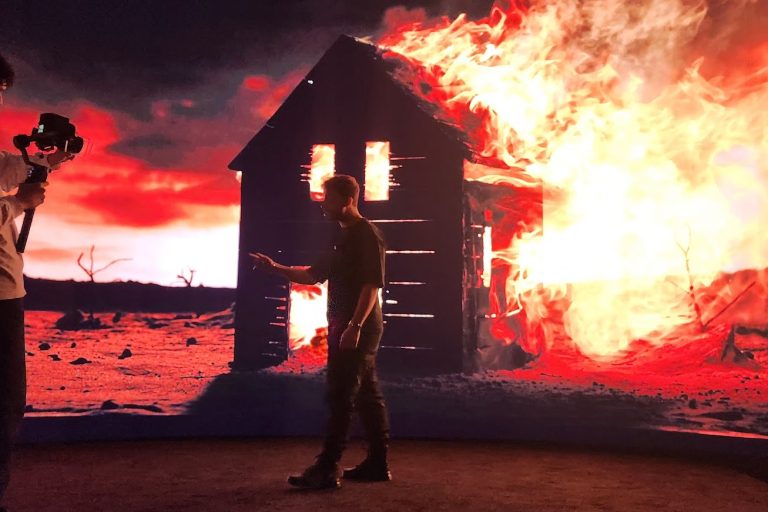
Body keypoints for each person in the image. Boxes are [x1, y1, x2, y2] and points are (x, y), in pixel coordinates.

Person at [250, 174, 391, 490]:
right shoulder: (341, 237)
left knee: (341, 393)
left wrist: (355, 326)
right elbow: (313, 275)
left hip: (358, 327)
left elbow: (372, 285)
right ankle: (377, 465)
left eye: (328, 198)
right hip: (345, 325)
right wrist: (274, 268)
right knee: (367, 394)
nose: (322, 204)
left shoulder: (367, 235)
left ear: (347, 200)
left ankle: (326, 469)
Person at [0, 53, 72, 512]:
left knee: (7, 406)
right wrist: (19, 203)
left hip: (7, 292)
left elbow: (8, 168)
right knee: (5, 404)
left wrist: (43, 161)